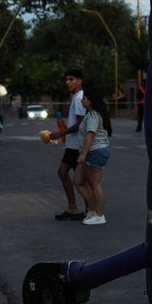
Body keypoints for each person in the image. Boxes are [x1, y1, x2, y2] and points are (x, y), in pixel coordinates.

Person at [53, 69, 88, 220]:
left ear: (79, 81)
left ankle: (90, 210)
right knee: (63, 173)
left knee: (80, 179)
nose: (67, 82)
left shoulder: (79, 97)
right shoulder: (75, 97)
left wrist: (61, 133)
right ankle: (73, 208)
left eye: (71, 79)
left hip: (77, 146)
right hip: (72, 145)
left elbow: (81, 124)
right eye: (66, 79)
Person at [74, 89, 112, 225]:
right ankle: (92, 209)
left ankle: (99, 215)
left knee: (95, 184)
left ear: (91, 101)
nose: (82, 100)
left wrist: (83, 154)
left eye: (84, 98)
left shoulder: (94, 115)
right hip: (91, 152)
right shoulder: (90, 114)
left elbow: (90, 135)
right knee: (78, 180)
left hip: (96, 151)